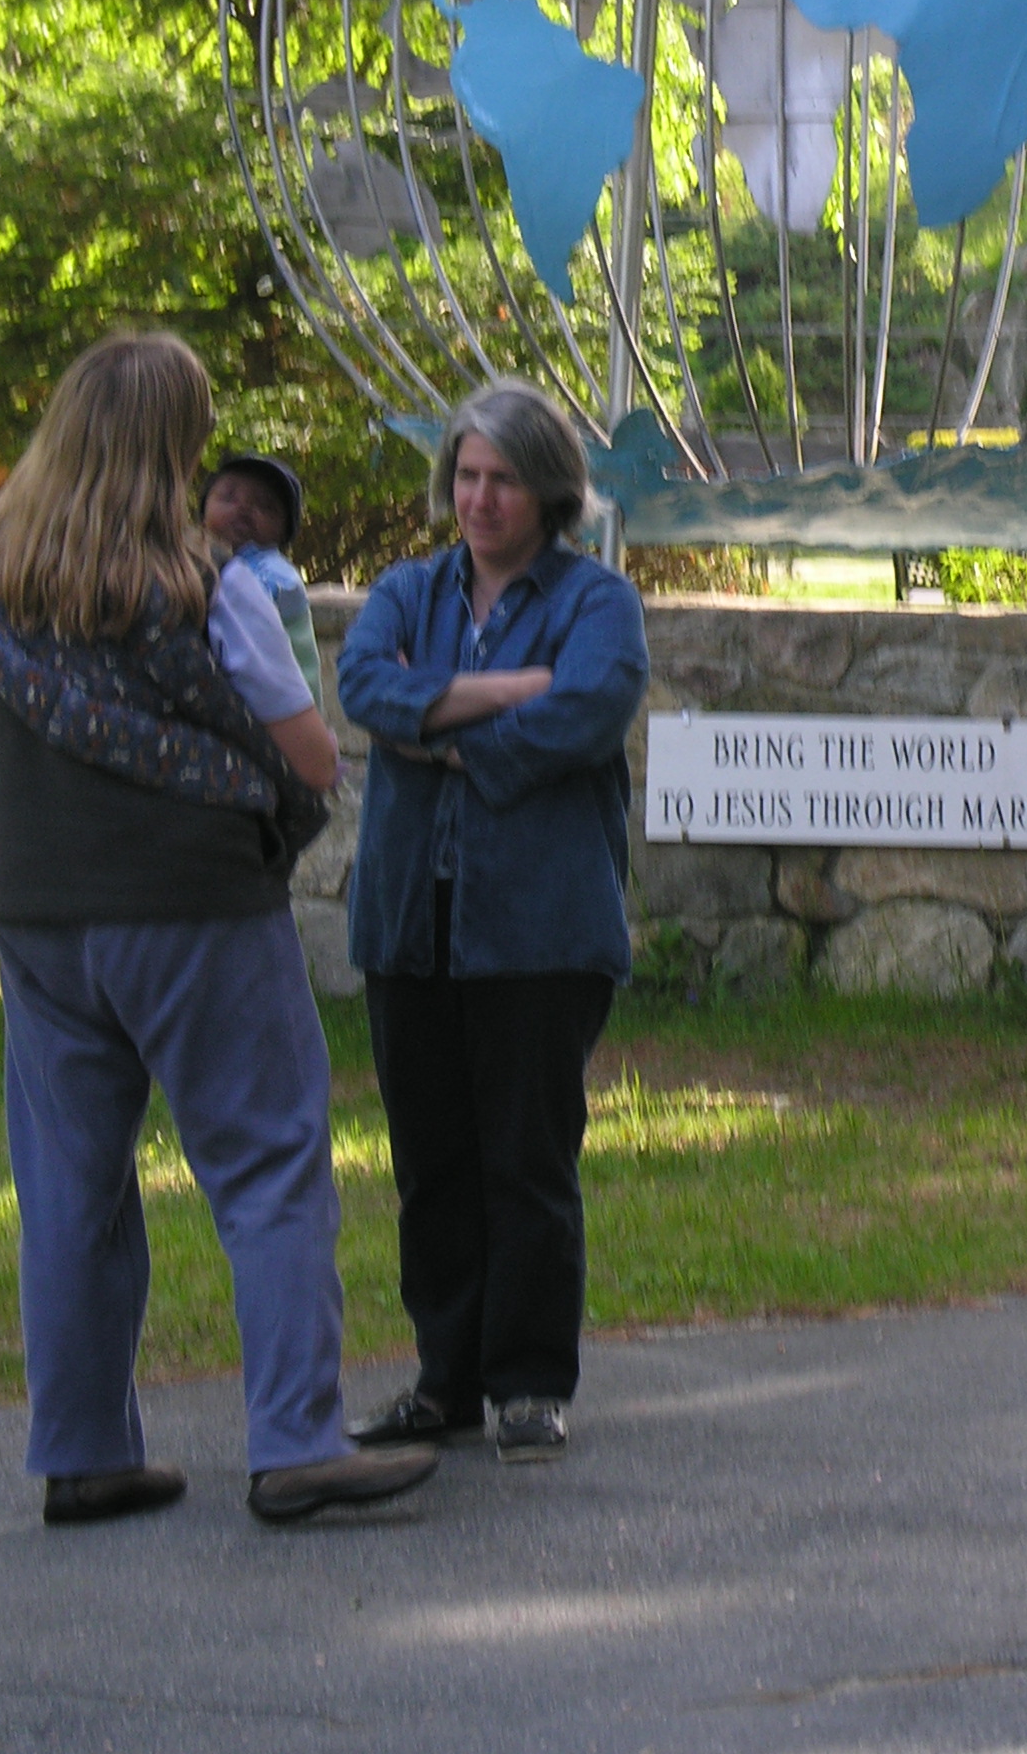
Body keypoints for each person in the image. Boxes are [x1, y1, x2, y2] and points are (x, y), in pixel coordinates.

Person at [0, 332, 440, 1528]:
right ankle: (295, 1443)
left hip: (35, 909)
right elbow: (308, 754)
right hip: (195, 908)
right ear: (175, 448)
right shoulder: (207, 587)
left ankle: (82, 1453)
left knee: (67, 1181)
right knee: (269, 1163)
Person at [334, 379, 648, 1465]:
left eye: (503, 479)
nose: (479, 499)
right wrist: (513, 691)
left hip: (538, 929)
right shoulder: (407, 592)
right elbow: (363, 687)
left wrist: (438, 728)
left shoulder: (598, 604)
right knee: (431, 1166)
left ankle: (527, 1384)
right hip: (410, 923)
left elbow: (586, 711)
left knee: (526, 1163)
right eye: (467, 475)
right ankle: (445, 1383)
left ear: (548, 488)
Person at [204, 450, 326, 696]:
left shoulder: (275, 574)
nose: (244, 508)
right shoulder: (196, 561)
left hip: (286, 710)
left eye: (266, 506)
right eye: (229, 497)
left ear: (284, 533)